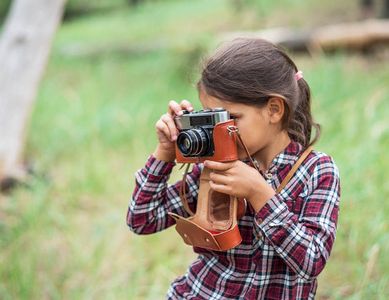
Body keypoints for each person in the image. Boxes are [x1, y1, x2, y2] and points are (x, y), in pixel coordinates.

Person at [127, 37, 340, 299]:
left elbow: (311, 262)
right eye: (212, 117)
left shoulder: (317, 171)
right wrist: (165, 152)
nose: (219, 130)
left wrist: (260, 195)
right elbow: (142, 220)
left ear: (274, 109)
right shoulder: (214, 166)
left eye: (231, 118)